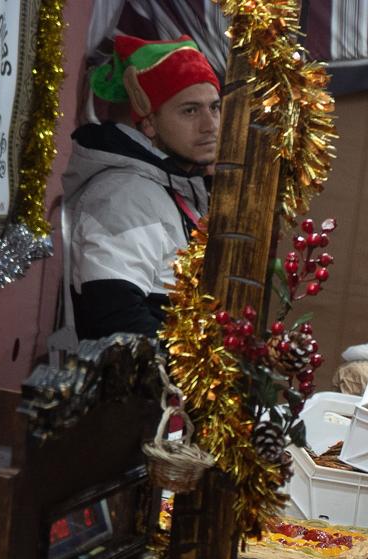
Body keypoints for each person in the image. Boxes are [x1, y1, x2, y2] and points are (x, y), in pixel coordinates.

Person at [61, 35, 224, 340]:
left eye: (214, 108)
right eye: (190, 111)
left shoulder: (176, 186)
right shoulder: (125, 195)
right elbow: (114, 319)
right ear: (148, 122)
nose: (210, 125)